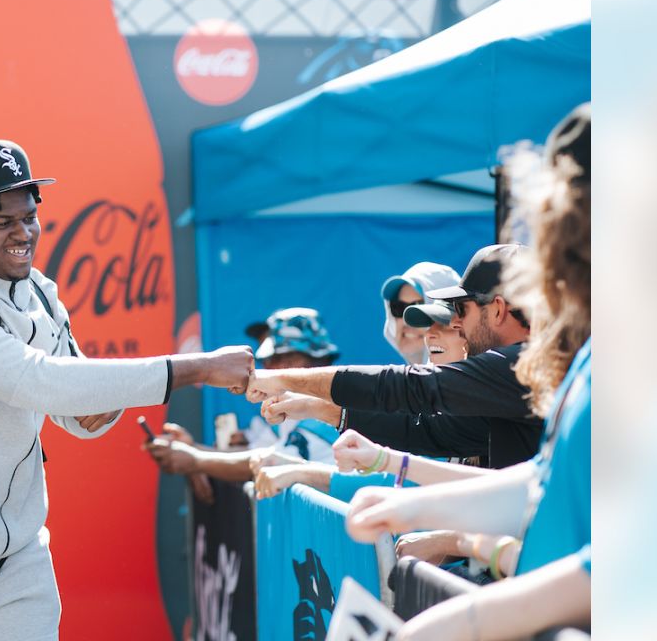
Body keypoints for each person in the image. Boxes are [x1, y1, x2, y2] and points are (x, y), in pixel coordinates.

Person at [0, 139, 254, 640]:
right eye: (2, 221)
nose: (23, 233)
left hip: (14, 554)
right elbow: (36, 378)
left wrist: (96, 407)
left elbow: (74, 413)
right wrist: (198, 368)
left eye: (28, 216)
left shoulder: (41, 294)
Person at [344, 104, 592, 640]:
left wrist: (462, 613)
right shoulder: (588, 361)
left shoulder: (529, 366)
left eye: (454, 314)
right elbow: (539, 488)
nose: (438, 332)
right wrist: (407, 493)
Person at [249, 244, 545, 468]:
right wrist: (319, 407)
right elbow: (428, 432)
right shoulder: (520, 370)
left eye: (461, 310)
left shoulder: (523, 366)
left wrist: (278, 378)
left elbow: (411, 388)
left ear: (497, 308)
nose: (453, 323)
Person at [143, 308, 341, 493]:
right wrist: (192, 449)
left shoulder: (327, 411)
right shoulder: (288, 412)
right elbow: (256, 453)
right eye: (269, 359)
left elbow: (269, 463)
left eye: (286, 357)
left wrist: (196, 460)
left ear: (320, 360)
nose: (272, 367)